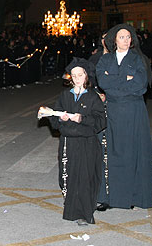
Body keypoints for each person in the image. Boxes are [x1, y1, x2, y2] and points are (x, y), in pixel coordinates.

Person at [95, 23, 152, 211]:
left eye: (129, 37)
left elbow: (141, 84)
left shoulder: (138, 59)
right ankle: (110, 197)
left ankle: (131, 196)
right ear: (114, 40)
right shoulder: (105, 60)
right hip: (113, 111)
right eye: (122, 37)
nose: (126, 40)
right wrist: (126, 79)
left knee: (132, 154)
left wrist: (116, 80)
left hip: (133, 112)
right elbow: (103, 83)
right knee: (111, 155)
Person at [44, 58, 106, 226]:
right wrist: (60, 118)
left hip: (86, 143)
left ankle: (85, 213)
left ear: (86, 76)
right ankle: (72, 208)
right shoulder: (65, 95)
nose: (77, 78)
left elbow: (101, 120)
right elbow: (55, 119)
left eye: (80, 75)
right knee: (70, 176)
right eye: (74, 75)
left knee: (85, 177)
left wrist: (82, 118)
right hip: (68, 143)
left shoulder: (93, 97)